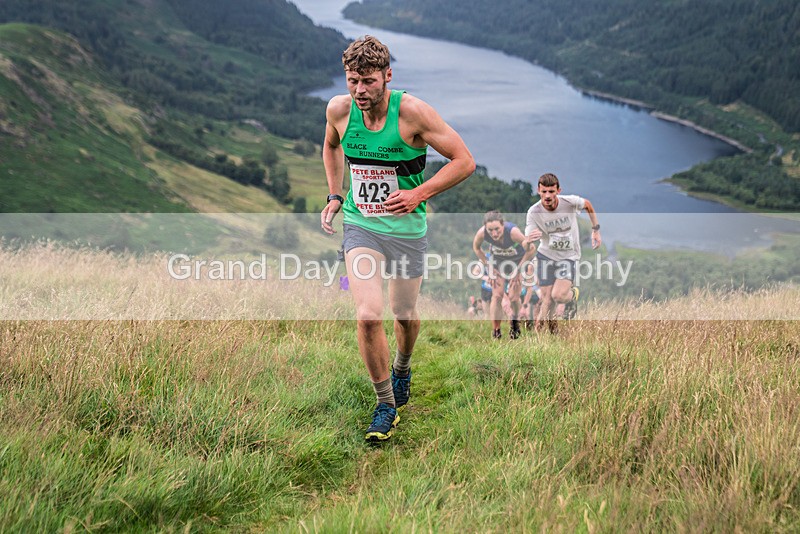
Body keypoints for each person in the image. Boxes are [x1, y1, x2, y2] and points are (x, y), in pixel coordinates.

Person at [321, 35, 475, 442]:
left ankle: (403, 368)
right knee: (369, 314)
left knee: (403, 312)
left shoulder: (413, 113)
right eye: (353, 81)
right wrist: (336, 195)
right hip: (362, 226)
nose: (360, 91)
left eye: (369, 81)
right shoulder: (339, 110)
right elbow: (331, 146)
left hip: (407, 231)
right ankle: (385, 404)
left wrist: (417, 194)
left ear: (388, 76)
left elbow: (465, 161)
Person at [524, 173, 601, 333]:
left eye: (551, 191)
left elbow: (588, 205)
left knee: (558, 296)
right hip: (545, 255)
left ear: (558, 190)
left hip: (568, 256)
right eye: (544, 191)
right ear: (538, 190)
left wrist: (595, 230)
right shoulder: (534, 212)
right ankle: (549, 333)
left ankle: (572, 296)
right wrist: (528, 240)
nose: (547, 196)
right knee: (546, 299)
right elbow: (526, 241)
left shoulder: (569, 202)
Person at [472, 211, 535, 340]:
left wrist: (518, 270)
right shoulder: (482, 233)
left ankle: (514, 321)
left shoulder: (513, 232)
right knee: (497, 295)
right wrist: (488, 265)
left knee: (513, 297)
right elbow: (477, 248)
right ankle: (496, 331)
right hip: (498, 263)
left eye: (497, 229)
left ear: (503, 225)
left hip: (517, 262)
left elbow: (531, 249)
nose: (494, 233)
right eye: (490, 230)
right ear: (485, 228)